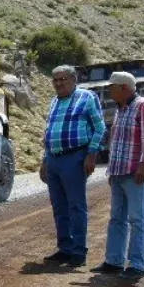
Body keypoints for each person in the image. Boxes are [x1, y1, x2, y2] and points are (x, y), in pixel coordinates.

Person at [39, 64, 106, 267]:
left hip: (75, 157)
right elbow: (48, 133)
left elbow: (100, 127)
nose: (59, 83)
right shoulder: (54, 102)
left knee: (76, 206)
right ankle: (64, 248)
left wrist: (91, 154)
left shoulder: (86, 97)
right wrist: (44, 160)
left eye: (63, 79)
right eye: (55, 80)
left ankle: (78, 252)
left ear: (73, 80)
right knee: (59, 207)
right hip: (54, 159)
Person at [92, 72, 144, 281]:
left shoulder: (142, 106)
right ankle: (114, 260)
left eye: (112, 87)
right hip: (118, 172)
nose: (109, 90)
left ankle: (138, 264)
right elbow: (116, 142)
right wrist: (112, 170)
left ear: (123, 87)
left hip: (135, 173)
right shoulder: (120, 109)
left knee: (137, 219)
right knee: (116, 218)